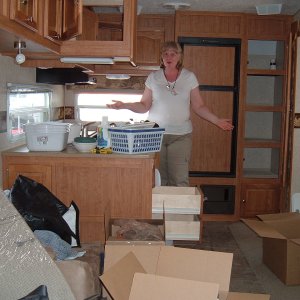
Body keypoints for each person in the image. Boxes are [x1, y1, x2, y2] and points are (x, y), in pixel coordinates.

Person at [107, 41, 234, 186]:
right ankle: (159, 209)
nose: (169, 56)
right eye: (165, 53)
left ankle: (176, 209)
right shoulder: (153, 78)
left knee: (179, 180)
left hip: (181, 137)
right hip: (155, 136)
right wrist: (124, 105)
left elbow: (199, 106)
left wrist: (217, 121)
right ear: (161, 57)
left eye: (173, 53)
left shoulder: (189, 77)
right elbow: (144, 106)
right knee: (157, 180)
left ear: (180, 57)